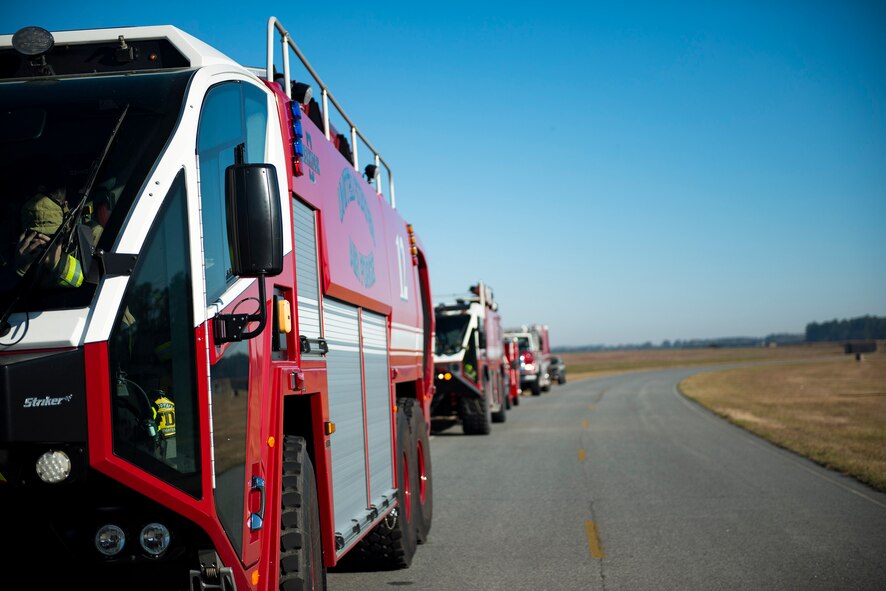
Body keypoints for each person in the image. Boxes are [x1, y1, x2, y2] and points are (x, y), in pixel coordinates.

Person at [15, 183, 85, 288]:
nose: (40, 243)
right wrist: (19, 270)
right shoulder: (13, 248)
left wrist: (59, 265)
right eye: (33, 238)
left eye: (50, 237)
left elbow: (96, 287)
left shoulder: (80, 242)